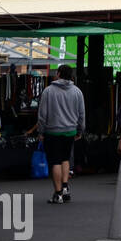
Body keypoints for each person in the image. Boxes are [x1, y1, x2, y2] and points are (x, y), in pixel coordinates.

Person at [36, 65, 84, 204]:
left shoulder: (48, 91)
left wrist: (41, 131)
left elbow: (42, 114)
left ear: (58, 74)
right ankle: (65, 187)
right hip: (70, 131)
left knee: (55, 161)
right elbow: (81, 114)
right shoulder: (77, 92)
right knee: (65, 158)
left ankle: (57, 194)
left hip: (52, 131)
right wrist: (80, 130)